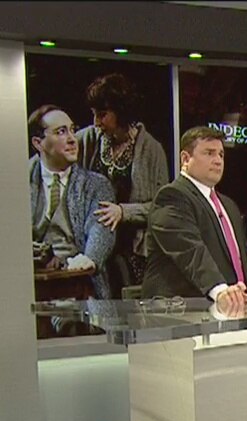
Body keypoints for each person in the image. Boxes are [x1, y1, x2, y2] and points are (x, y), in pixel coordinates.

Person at [142, 126, 247, 315]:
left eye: (221, 154)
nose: (218, 160)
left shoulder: (228, 205)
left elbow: (245, 259)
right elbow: (190, 252)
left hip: (234, 313)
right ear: (185, 159)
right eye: (209, 153)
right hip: (182, 317)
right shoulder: (172, 197)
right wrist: (221, 292)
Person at [75, 73, 170, 295]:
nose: (96, 122)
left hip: (133, 254)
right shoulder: (87, 140)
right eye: (94, 114)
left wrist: (123, 212)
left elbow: (162, 208)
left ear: (121, 112)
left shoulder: (152, 150)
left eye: (102, 115)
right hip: (93, 249)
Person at [27, 104, 116, 299]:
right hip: (30, 286)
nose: (72, 139)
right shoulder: (20, 182)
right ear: (38, 143)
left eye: (72, 130)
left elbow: (100, 231)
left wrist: (88, 261)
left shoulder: (96, 185)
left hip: (80, 286)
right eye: (61, 132)